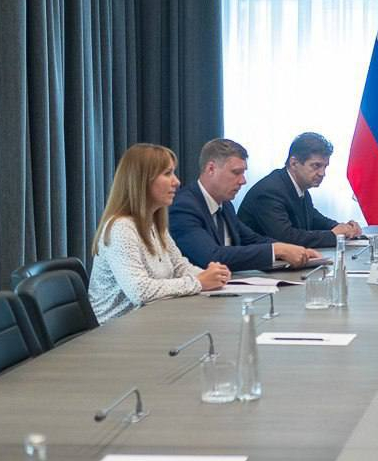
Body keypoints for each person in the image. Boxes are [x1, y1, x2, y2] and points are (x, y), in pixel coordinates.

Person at [88, 144, 230, 323]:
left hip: (148, 322)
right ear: (142, 180)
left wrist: (213, 275)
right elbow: (140, 291)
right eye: (167, 173)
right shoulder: (121, 227)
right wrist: (199, 282)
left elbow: (180, 267)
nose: (176, 182)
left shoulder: (155, 225)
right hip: (116, 331)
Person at [169, 138, 321, 272]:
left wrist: (293, 250)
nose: (243, 181)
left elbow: (252, 239)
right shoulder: (184, 207)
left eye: (244, 173)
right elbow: (211, 257)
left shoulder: (225, 205)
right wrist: (277, 250)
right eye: (236, 173)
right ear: (211, 169)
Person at [238, 132, 362, 248]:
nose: (322, 173)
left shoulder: (299, 186)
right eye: (316, 166)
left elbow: (314, 219)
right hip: (254, 263)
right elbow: (285, 237)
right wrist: (333, 235)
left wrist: (344, 228)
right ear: (294, 163)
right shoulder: (270, 191)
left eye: (325, 166)